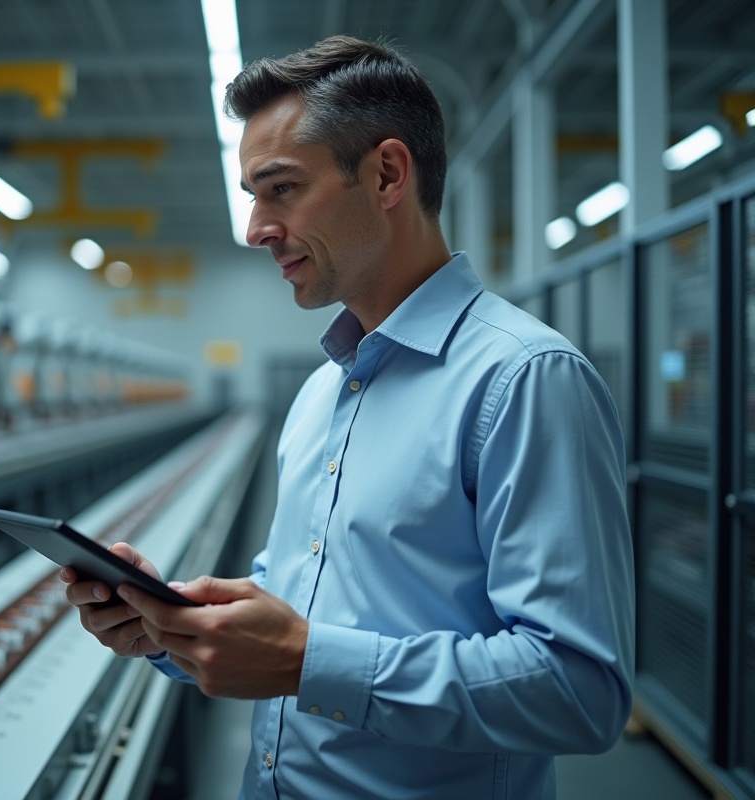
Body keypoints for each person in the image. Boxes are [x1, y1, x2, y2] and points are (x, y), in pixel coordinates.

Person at [61, 35, 632, 800]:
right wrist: (170, 625)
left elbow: (578, 692)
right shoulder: (320, 393)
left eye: (281, 189)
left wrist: (307, 663)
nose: (256, 227)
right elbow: (296, 598)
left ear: (387, 174)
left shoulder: (524, 380)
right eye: (251, 195)